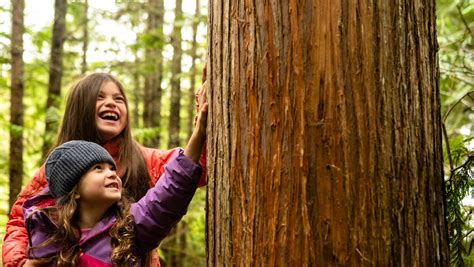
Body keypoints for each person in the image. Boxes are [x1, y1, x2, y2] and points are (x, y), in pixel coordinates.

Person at [3, 72, 207, 266]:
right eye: (99, 97)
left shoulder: (145, 161)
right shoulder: (57, 169)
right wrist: (21, 262)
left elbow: (190, 170)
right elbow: (22, 219)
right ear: (80, 109)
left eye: (119, 99)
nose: (111, 103)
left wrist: (205, 105)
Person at [25, 135, 205, 265]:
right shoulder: (48, 237)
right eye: (98, 168)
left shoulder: (132, 225)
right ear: (75, 190)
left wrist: (199, 133)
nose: (112, 173)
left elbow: (171, 189)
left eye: (112, 168)